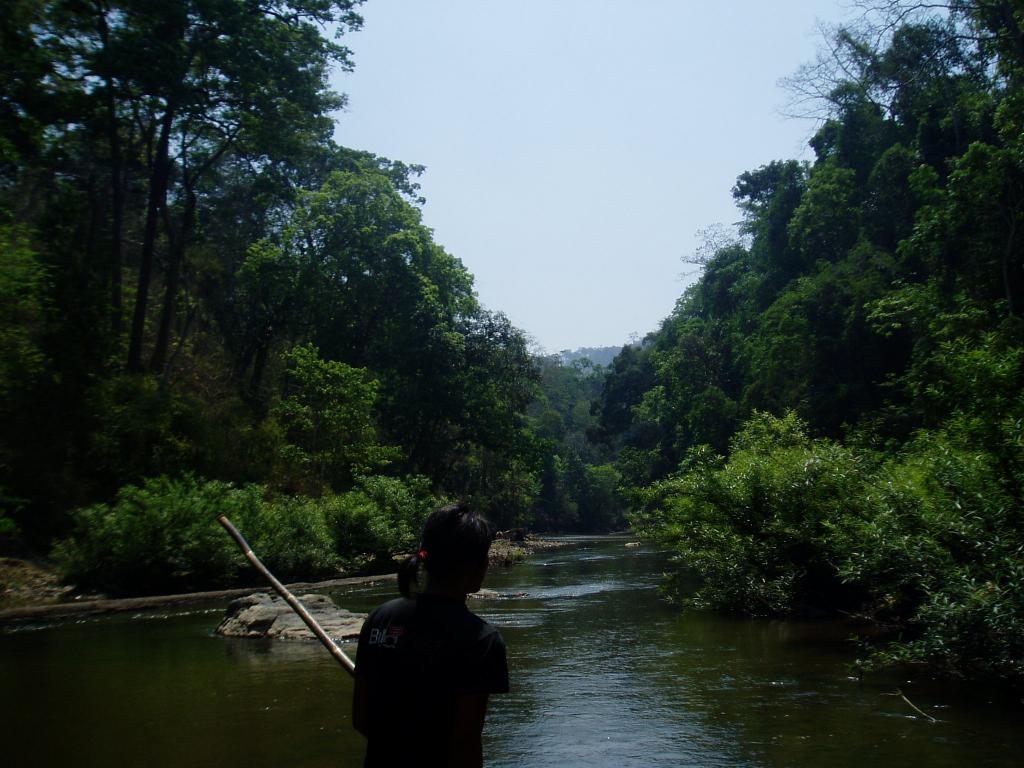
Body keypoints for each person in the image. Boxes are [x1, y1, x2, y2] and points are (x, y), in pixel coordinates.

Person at [352, 503, 509, 768]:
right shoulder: (480, 640)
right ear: (475, 565)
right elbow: (465, 743)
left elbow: (361, 719)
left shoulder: (379, 619)